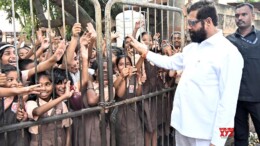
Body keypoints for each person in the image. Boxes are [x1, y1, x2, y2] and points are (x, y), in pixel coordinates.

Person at [128, 1, 244, 146]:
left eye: (192, 22)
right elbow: (169, 62)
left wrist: (219, 141)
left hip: (205, 135)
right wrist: (144, 51)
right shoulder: (192, 48)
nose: (188, 27)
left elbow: (229, 103)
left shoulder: (229, 53)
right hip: (182, 127)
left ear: (208, 22)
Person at [226, 3, 260, 146]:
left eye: (244, 14)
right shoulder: (228, 41)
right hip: (236, 98)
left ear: (253, 16)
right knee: (240, 138)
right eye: (237, 15)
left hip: (258, 97)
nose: (240, 18)